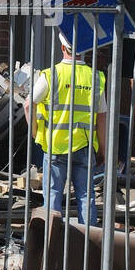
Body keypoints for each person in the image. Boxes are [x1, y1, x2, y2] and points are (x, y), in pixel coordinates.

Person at [25, 30, 108, 226]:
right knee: (86, 197)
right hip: (84, 146)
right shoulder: (95, 77)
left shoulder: (51, 74)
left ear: (63, 47)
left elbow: (29, 104)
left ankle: (51, 244)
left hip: (55, 146)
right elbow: (102, 117)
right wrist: (102, 148)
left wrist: (35, 132)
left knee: (52, 198)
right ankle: (88, 246)